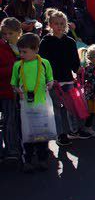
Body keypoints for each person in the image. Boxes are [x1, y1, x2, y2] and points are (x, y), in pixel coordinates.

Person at [39, 9, 87, 146]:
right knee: (57, 108)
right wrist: (48, 78)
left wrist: (78, 70)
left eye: (62, 23)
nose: (59, 26)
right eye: (56, 23)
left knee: (71, 107)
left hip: (67, 78)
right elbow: (43, 62)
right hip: (53, 80)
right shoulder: (46, 41)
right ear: (50, 24)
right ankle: (61, 134)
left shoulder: (70, 41)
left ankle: (74, 130)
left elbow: (74, 61)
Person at [11, 33, 54, 173]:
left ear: (36, 50)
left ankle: (42, 159)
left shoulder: (44, 62)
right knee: (27, 135)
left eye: (25, 51)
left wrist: (50, 83)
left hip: (41, 104)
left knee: (42, 134)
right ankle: (27, 161)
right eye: (20, 51)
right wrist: (17, 89)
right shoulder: (18, 65)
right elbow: (14, 83)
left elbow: (50, 78)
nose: (21, 54)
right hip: (25, 106)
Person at [0, 18, 21, 162]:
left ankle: (17, 145)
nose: (7, 36)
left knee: (16, 119)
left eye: (10, 33)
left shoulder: (21, 46)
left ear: (18, 33)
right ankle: (10, 149)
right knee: (8, 121)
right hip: (5, 90)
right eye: (4, 34)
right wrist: (15, 66)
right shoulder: (2, 47)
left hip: (18, 91)